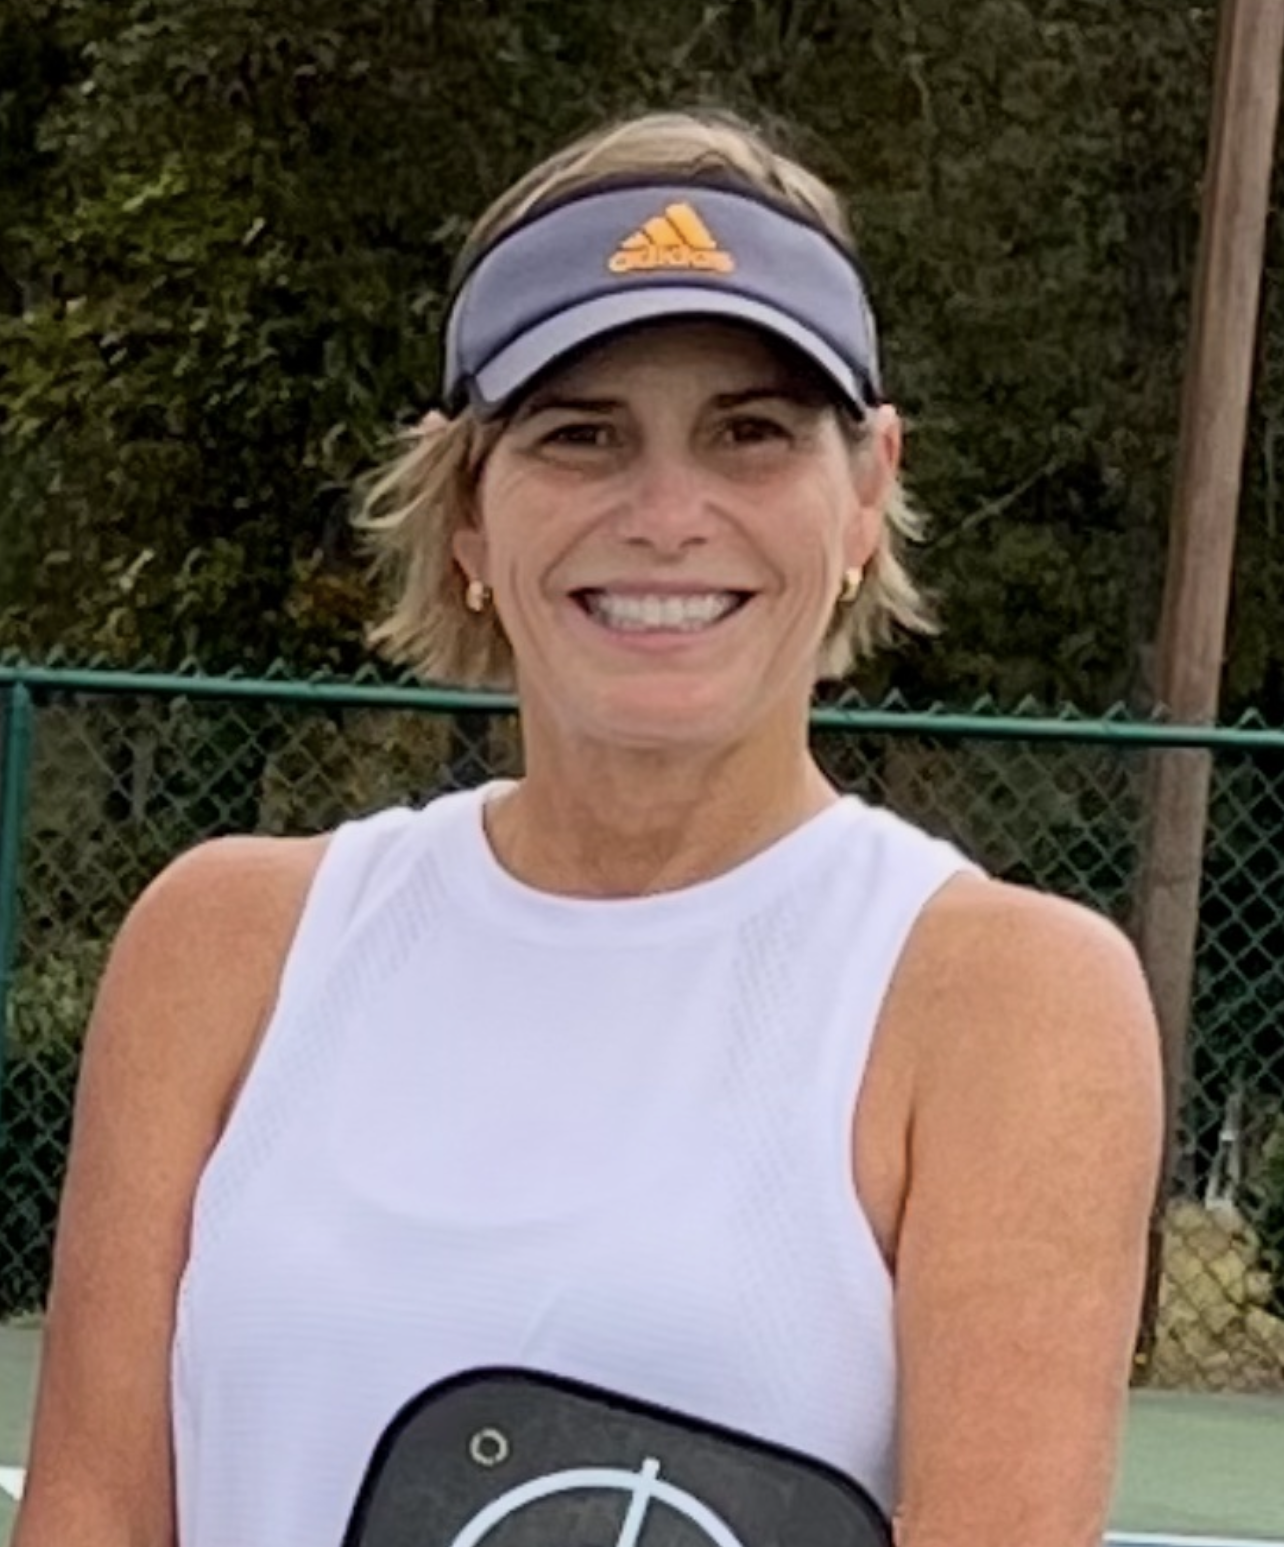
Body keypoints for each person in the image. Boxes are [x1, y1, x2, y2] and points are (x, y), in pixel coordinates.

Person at [15, 108, 1163, 1547]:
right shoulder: (224, 944)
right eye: (580, 435)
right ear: (468, 511)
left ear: (868, 487)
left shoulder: (1006, 1001)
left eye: (750, 433)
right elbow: (96, 1514)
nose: (667, 514)